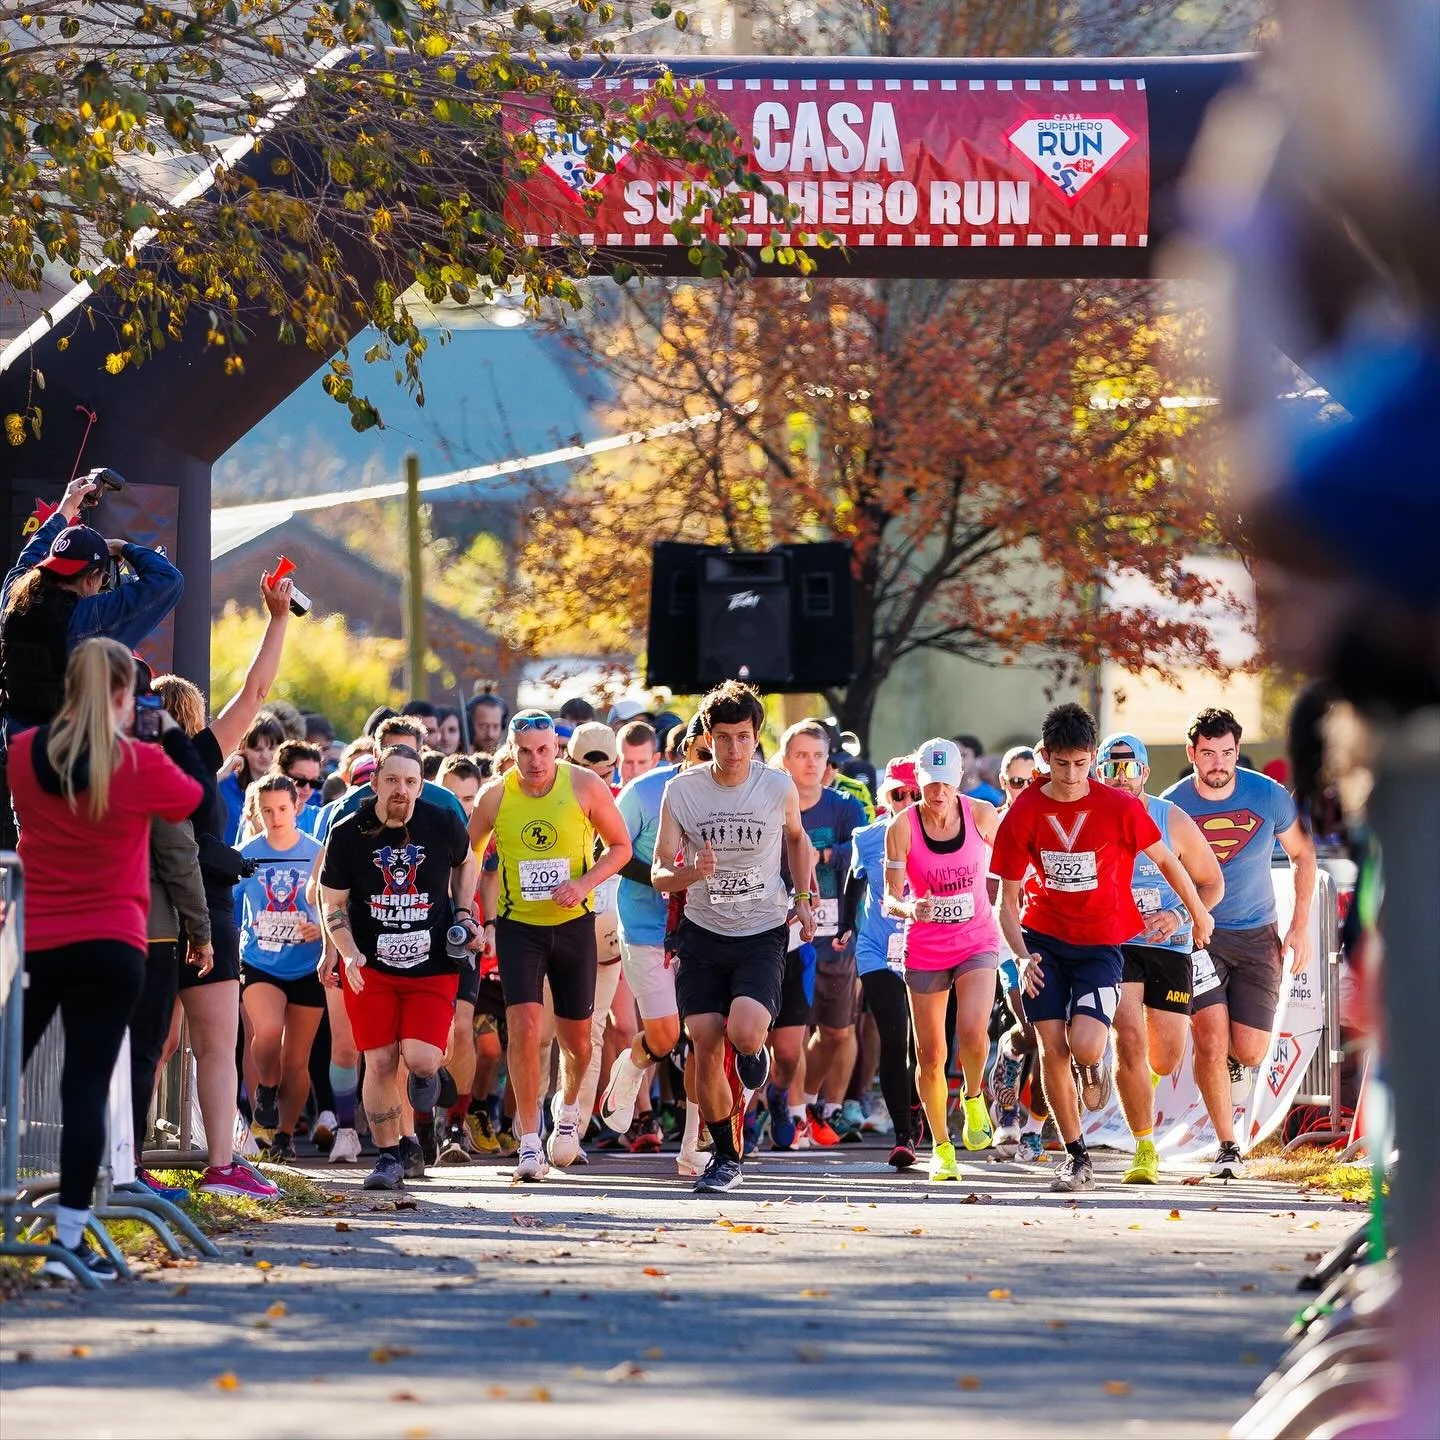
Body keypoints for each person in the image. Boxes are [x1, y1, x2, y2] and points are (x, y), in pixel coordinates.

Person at [9, 638, 203, 1281]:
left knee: (7, 1070)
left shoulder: (21, 754)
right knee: (85, 1086)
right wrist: (170, 733)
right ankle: (67, 1240)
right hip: (114, 944)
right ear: (125, 697)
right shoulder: (139, 763)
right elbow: (200, 799)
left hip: (39, 940)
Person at [992, 703, 1214, 1193]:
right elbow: (1005, 902)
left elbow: (1169, 861)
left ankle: (1090, 1064)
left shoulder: (1119, 807)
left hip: (1101, 944)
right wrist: (1019, 954)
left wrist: (1196, 911)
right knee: (1052, 1047)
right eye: (1062, 764)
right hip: (1043, 942)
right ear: (1046, 757)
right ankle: (1076, 1157)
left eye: (1081, 763)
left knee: (1087, 1043)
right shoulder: (1024, 812)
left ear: (1093, 757)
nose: (1072, 776)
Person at [149, 572, 295, 1200]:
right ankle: (220, 1165)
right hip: (205, 912)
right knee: (216, 1048)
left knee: (148, 1048)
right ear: (192, 714)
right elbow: (257, 689)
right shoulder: (197, 756)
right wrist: (280, 617)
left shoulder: (129, 761)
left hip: (151, 914)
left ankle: (127, 1163)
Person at [651, 681, 815, 1194]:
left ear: (756, 735)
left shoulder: (777, 786)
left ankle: (752, 1050)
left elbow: (797, 838)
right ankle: (725, 1156)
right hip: (701, 932)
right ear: (707, 736)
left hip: (760, 930)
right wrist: (689, 873)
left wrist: (805, 900)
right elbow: (658, 870)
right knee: (703, 1042)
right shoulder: (682, 791)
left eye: (743, 738)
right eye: (723, 738)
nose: (733, 750)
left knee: (744, 1033)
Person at [466, 709, 632, 1181]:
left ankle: (568, 1113)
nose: (535, 760)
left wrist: (584, 884)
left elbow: (620, 848)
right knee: (523, 1027)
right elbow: (469, 854)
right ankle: (529, 1138)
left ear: (556, 748)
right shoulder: (495, 796)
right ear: (511, 751)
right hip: (520, 927)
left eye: (544, 750)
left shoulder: (583, 786)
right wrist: (469, 910)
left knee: (578, 1041)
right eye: (525, 751)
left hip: (574, 923)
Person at [1161, 707, 1317, 1180]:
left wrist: (1299, 926)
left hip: (1256, 934)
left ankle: (1235, 1062)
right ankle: (1228, 1146)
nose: (1218, 763)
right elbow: (1158, 868)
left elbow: (1304, 857)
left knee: (1248, 1051)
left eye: (1226, 752)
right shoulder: (1173, 803)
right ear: (1192, 754)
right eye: (1208, 754)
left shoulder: (1267, 796)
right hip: (1200, 936)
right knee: (1209, 1039)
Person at [319, 745, 481, 1191]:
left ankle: (432, 1078)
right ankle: (390, 1156)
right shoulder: (349, 832)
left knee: (421, 1059)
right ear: (375, 784)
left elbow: (468, 861)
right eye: (392, 781)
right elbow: (331, 902)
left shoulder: (441, 822)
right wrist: (346, 950)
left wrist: (464, 912)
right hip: (371, 968)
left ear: (420, 786)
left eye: (410, 782)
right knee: (381, 1060)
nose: (401, 790)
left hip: (431, 965)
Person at [0, 472, 184, 846]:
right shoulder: (89, 620)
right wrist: (123, 547)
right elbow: (169, 581)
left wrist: (67, 507)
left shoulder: (12, 599)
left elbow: (32, 555)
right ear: (92, 579)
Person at [1096, 733, 1224, 1184]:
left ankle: (1136, 1089)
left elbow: (1213, 884)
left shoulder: (1172, 819)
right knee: (1128, 1035)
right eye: (1111, 769)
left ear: (1146, 773)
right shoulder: (1091, 818)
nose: (1121, 779)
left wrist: (1176, 913)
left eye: (1130, 770)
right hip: (1117, 945)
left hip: (1169, 946)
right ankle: (1144, 1147)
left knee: (1165, 1058)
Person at [883, 738, 1005, 1182]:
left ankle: (973, 1096)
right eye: (931, 784)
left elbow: (1009, 861)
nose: (938, 793)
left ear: (960, 781)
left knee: (973, 1031)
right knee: (931, 1054)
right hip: (928, 946)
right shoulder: (901, 826)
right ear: (919, 782)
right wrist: (911, 908)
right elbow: (890, 898)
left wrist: (1005, 897)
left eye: (946, 784)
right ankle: (941, 1147)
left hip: (976, 939)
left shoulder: (981, 815)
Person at [771, 719, 866, 1149]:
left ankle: (807, 1102)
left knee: (835, 1033)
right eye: (801, 755)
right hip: (787, 936)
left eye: (817, 755)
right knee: (789, 1032)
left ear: (828, 761)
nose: (810, 764)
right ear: (786, 760)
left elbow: (865, 852)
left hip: (836, 935)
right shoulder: (772, 806)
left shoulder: (844, 808)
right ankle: (793, 1117)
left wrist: (825, 852)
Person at [237, 775, 327, 1162]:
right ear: (257, 812)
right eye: (267, 811)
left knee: (297, 1060)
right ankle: (266, 1090)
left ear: (298, 808)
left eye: (283, 810)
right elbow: (225, 903)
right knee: (268, 1030)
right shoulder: (245, 853)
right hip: (259, 961)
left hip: (307, 965)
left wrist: (318, 928)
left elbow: (336, 905)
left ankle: (285, 1134)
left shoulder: (318, 853)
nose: (275, 818)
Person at [843, 757, 925, 1168]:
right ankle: (903, 1136)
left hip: (929, 948)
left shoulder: (943, 836)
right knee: (895, 1040)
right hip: (877, 949)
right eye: (898, 794)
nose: (907, 801)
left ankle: (916, 1103)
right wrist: (844, 926)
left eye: (916, 793)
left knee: (927, 1045)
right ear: (885, 798)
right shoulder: (869, 837)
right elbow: (855, 882)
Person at [953, 734, 1004, 806]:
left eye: (963, 755)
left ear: (978, 759)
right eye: (954, 755)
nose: (957, 760)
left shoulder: (991, 798)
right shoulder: (944, 792)